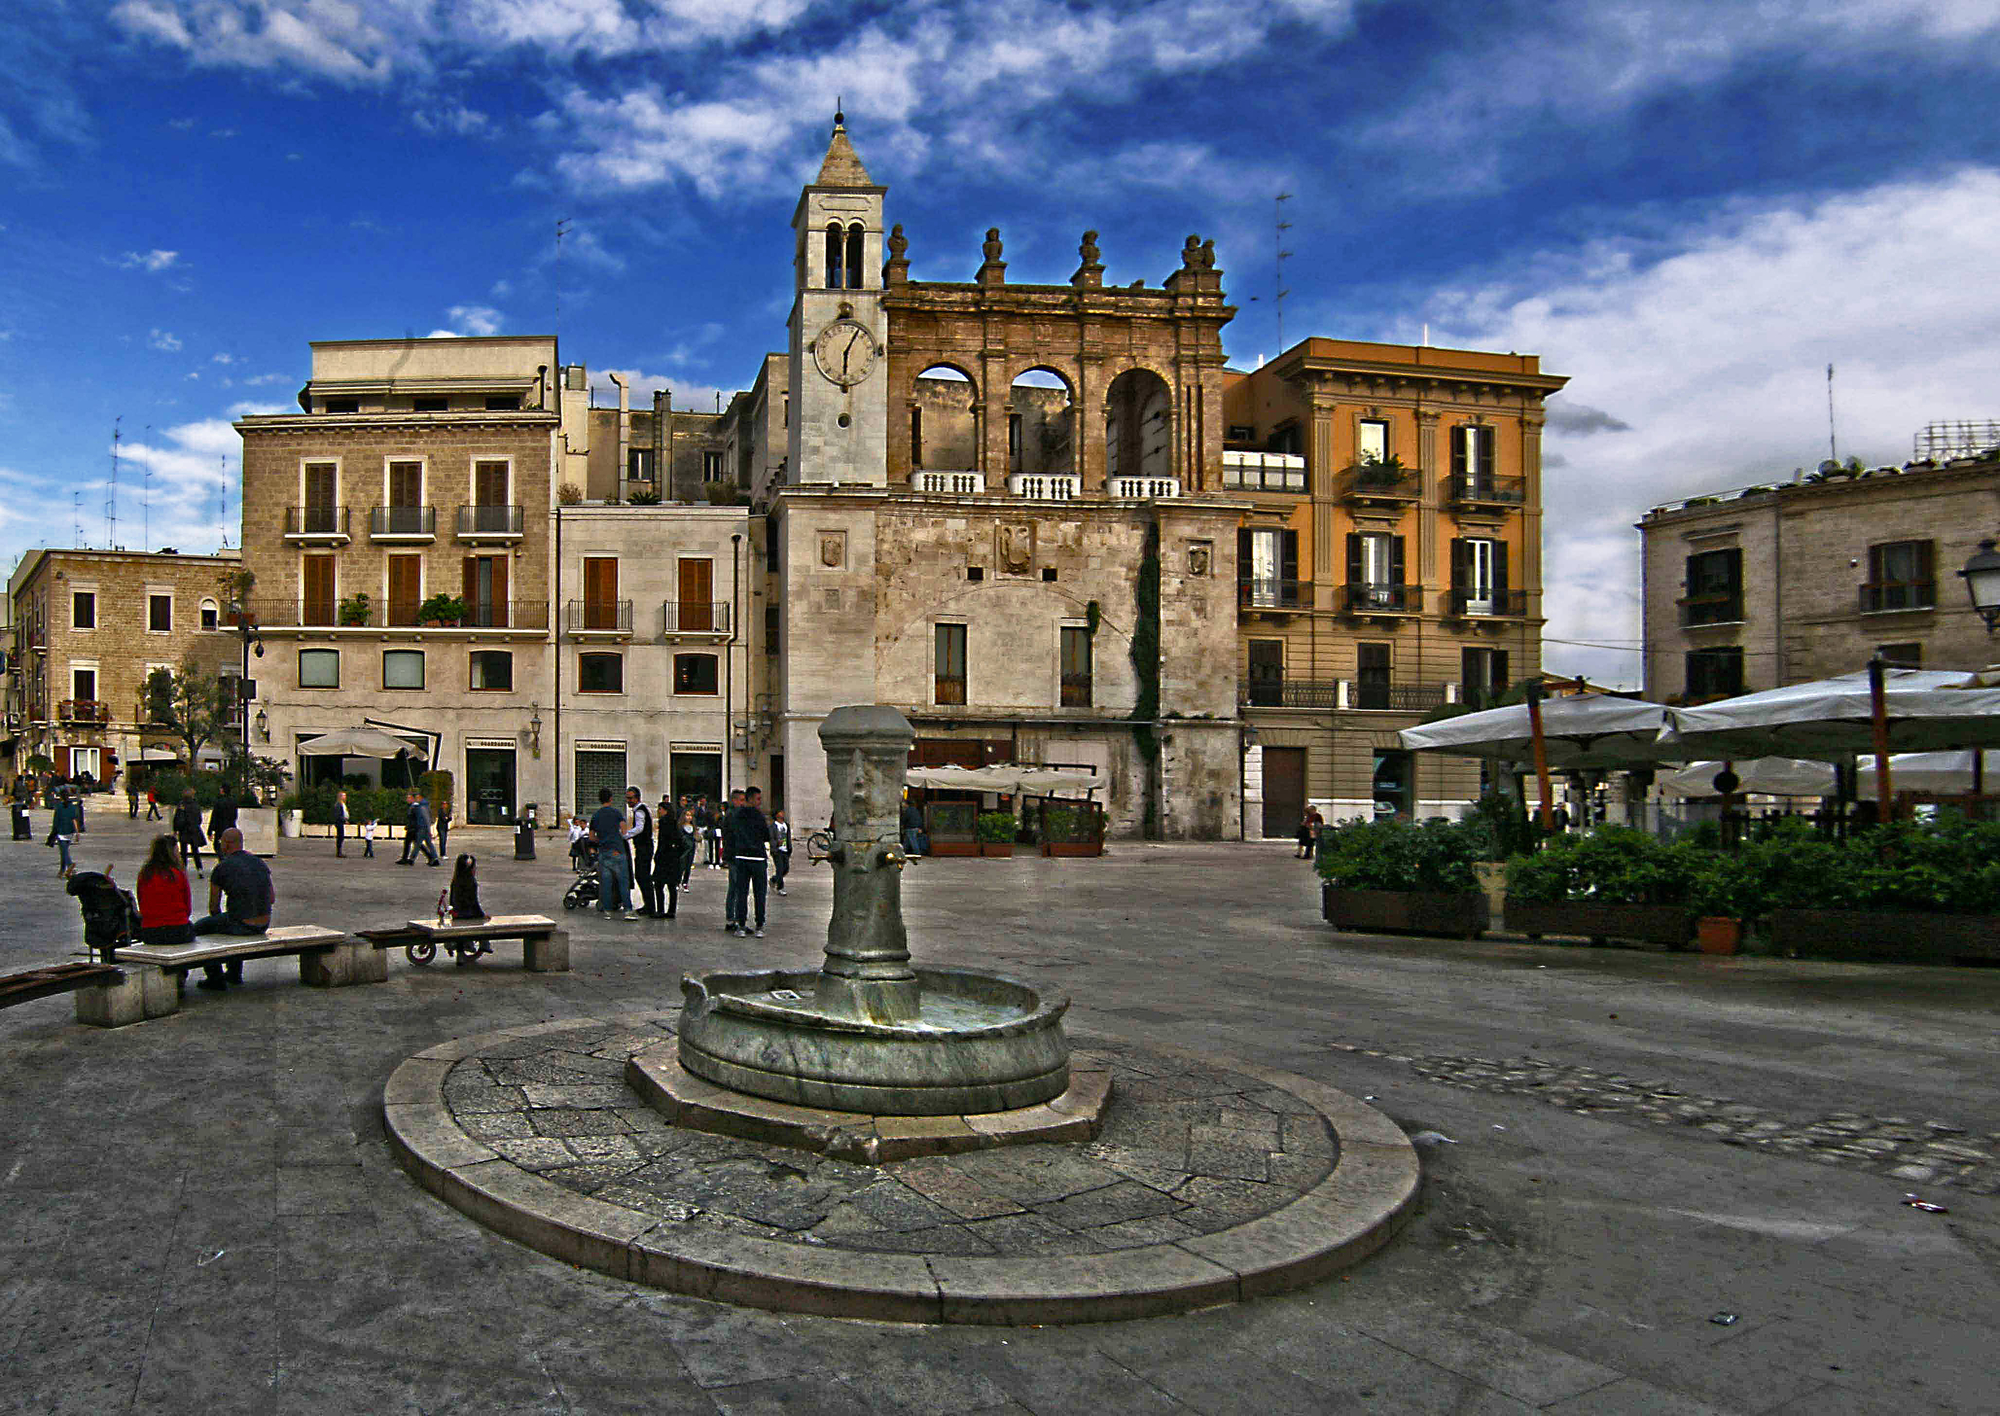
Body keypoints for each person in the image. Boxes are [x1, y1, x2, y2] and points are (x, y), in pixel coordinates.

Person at [191, 826, 273, 990]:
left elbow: (214, 907)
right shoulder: (259, 862)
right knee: (232, 920)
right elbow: (271, 898)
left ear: (226, 844)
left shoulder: (222, 868)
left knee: (202, 927)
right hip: (264, 922)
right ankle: (234, 973)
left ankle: (215, 977)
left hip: (242, 923)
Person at [725, 785, 772, 938]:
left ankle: (741, 925)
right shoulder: (759, 816)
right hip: (757, 857)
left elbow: (731, 834)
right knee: (760, 893)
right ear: (751, 798)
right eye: (758, 799)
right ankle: (759, 925)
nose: (760, 802)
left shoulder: (737, 815)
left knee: (741, 893)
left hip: (741, 857)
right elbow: (766, 835)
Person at [135, 833, 194, 948]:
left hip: (151, 931)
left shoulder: (145, 874)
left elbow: (141, 902)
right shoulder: (177, 874)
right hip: (178, 929)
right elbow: (187, 906)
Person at [587, 787, 632, 917]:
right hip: (617, 850)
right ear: (611, 799)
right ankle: (628, 909)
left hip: (604, 851)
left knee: (606, 883)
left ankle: (607, 909)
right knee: (623, 882)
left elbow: (591, 837)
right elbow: (624, 832)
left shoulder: (596, 816)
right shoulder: (617, 813)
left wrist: (601, 840)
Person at [624, 787, 655, 921]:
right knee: (642, 876)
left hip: (644, 848)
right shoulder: (640, 810)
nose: (628, 801)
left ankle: (650, 906)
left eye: (630, 798)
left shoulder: (639, 811)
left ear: (637, 798)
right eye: (627, 798)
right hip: (644, 847)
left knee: (643, 876)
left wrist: (625, 835)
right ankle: (648, 905)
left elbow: (639, 828)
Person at [651, 796, 684, 919]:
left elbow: (662, 843)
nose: (658, 812)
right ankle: (671, 910)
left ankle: (660, 910)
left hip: (664, 859)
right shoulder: (674, 824)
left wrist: (658, 855)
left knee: (659, 885)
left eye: (660, 809)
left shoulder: (664, 823)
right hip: (673, 859)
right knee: (671, 886)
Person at [49, 788, 84, 878]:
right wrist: (77, 833)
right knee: (64, 851)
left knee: (64, 852)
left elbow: (56, 821)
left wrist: (53, 832)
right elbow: (74, 820)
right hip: (70, 831)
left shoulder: (59, 807)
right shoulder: (72, 807)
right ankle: (61, 871)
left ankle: (70, 867)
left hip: (61, 831)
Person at [399, 789, 439, 866]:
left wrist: (428, 829)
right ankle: (434, 858)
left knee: (418, 844)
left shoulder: (421, 807)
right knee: (426, 844)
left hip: (422, 828)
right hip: (423, 828)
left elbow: (425, 818)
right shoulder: (423, 805)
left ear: (420, 797)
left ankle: (412, 859)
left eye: (417, 797)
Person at [173, 789, 206, 875]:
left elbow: (177, 818)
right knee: (195, 851)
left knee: (184, 851)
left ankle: (183, 870)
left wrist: (175, 829)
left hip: (184, 830)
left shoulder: (181, 805)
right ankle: (199, 869)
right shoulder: (196, 805)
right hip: (194, 830)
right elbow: (199, 819)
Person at [448, 853, 487, 921]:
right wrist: (482, 915)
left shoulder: (456, 880)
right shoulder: (471, 882)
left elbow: (451, 899)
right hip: (470, 915)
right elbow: (474, 902)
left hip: (457, 914)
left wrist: (452, 911)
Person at [770, 809, 792, 894]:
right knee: (779, 868)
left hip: (785, 850)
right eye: (780, 812)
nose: (782, 813)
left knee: (785, 869)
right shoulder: (773, 826)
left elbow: (788, 837)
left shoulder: (786, 825)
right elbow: (771, 838)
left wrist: (789, 848)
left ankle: (774, 879)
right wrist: (776, 843)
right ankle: (780, 887)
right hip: (777, 850)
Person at [333, 789, 350, 858]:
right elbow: (338, 815)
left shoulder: (341, 804)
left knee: (341, 837)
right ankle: (339, 852)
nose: (345, 797)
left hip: (341, 822)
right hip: (339, 822)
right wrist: (344, 820)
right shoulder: (338, 805)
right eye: (344, 795)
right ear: (340, 796)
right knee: (340, 837)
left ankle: (339, 851)